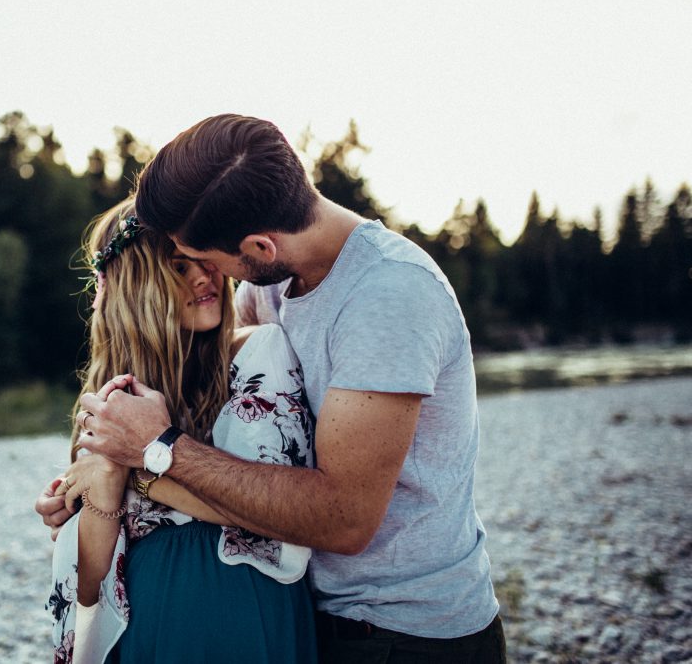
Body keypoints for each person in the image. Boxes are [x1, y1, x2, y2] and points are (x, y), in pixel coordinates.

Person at [38, 114, 506, 663]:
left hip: (408, 633)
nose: (207, 277)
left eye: (208, 259)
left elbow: (346, 519)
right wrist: (85, 488)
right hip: (323, 615)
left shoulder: (388, 295)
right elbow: (197, 375)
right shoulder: (276, 287)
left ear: (259, 248)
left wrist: (151, 457)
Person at [44, 198, 318, 663]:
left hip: (238, 615)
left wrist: (141, 469)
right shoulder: (110, 403)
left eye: (204, 261)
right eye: (177, 266)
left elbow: (277, 519)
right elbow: (88, 588)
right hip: (142, 631)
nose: (203, 277)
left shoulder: (257, 353)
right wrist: (105, 491)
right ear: (137, 288)